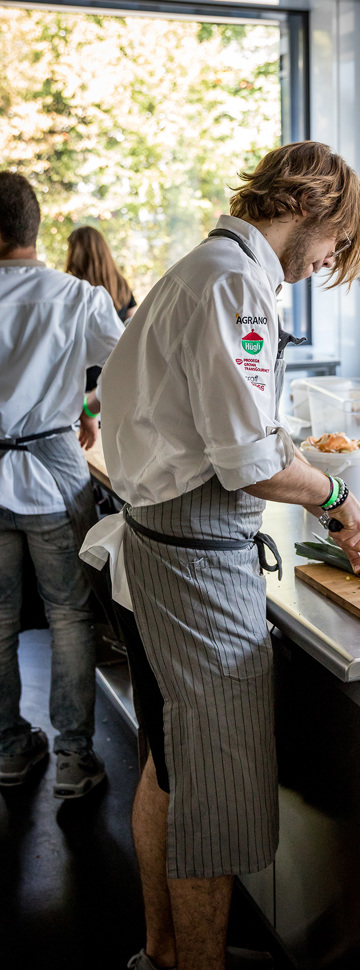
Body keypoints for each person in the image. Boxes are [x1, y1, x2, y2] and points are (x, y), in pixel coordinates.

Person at [80, 141, 360, 970]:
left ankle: (165, 955)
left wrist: (303, 476)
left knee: (172, 770)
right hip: (194, 565)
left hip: (157, 548)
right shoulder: (236, 285)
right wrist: (335, 496)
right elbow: (249, 461)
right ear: (314, 208)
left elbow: (218, 422)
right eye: (331, 246)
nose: (321, 262)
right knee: (215, 793)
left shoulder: (199, 268)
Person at [0, 172, 124, 798]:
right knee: (70, 616)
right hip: (53, 469)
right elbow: (129, 371)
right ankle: (74, 758)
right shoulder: (77, 297)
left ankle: (7, 749)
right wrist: (87, 407)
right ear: (34, 227)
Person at [65, 225, 137, 391]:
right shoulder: (121, 285)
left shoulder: (73, 289)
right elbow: (131, 329)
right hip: (111, 376)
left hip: (80, 378)